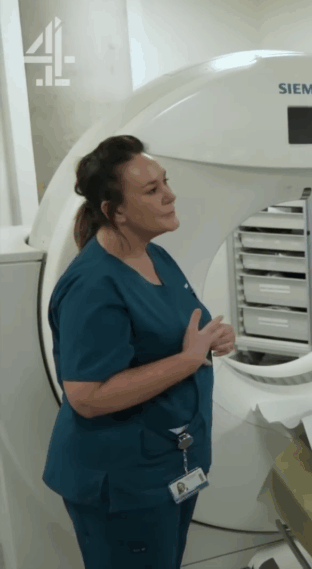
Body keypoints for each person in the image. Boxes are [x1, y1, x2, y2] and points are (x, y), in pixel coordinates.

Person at [42, 135, 235, 569]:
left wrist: (215, 340)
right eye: (151, 190)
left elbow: (188, 329)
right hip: (123, 481)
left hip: (170, 466)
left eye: (164, 182)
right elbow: (86, 396)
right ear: (116, 211)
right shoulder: (93, 286)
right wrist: (187, 360)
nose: (170, 195)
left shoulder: (156, 257)